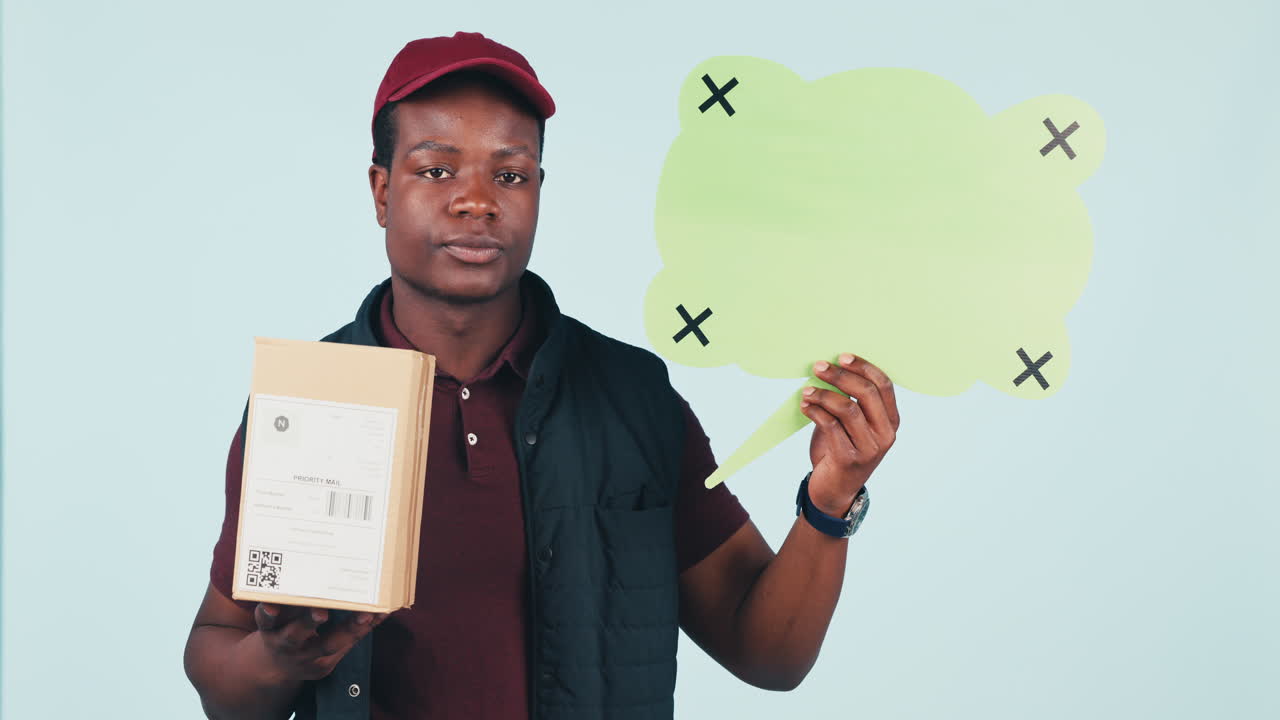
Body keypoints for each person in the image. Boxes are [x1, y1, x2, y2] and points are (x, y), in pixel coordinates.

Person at [183, 31, 900, 720]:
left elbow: (767, 654)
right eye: (437, 169)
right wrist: (281, 659)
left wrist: (831, 499)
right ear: (380, 190)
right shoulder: (311, 400)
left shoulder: (633, 399)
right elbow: (220, 667)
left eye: (510, 174)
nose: (477, 200)